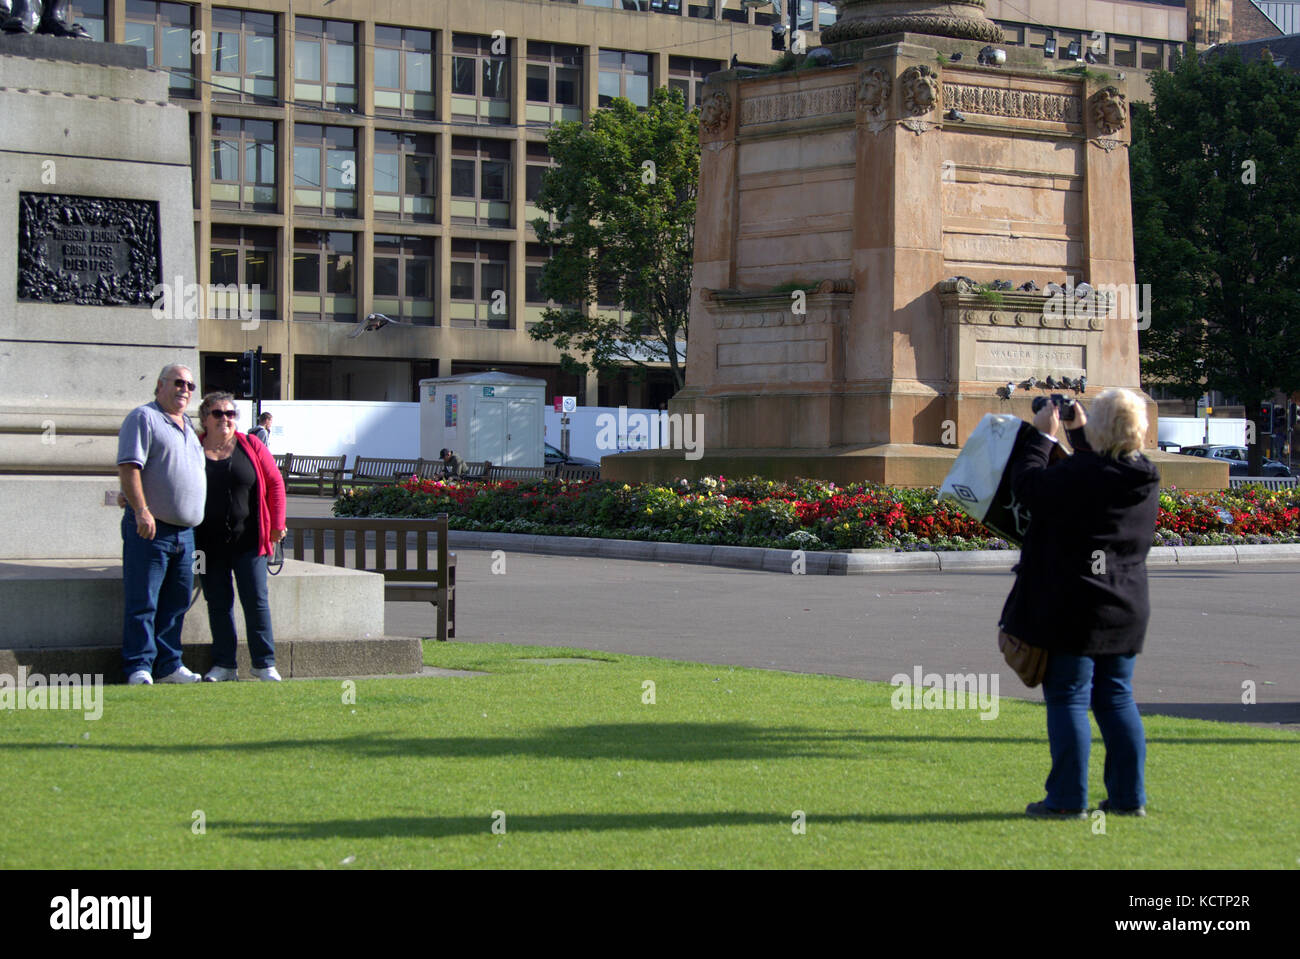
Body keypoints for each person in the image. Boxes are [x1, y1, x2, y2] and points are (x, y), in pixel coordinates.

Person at [1000, 389, 1159, 819]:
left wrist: (1041, 438)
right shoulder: (1144, 473)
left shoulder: (1081, 475)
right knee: (1117, 699)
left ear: (1100, 426)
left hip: (1073, 604)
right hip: (1125, 603)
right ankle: (1129, 798)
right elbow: (1101, 468)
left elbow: (1029, 485)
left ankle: (1067, 799)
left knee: (1068, 698)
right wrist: (1078, 431)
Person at [117, 364, 207, 685]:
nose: (185, 389)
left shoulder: (189, 428)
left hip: (185, 534)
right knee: (144, 600)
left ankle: (169, 665)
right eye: (179, 383)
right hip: (151, 529)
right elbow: (130, 467)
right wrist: (140, 509)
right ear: (160, 385)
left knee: (176, 602)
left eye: (191, 386)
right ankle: (139, 666)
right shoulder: (144, 418)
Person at [194, 392, 287, 682]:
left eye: (231, 413)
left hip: (249, 540)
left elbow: (275, 484)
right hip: (206, 544)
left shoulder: (251, 445)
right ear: (205, 418)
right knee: (218, 603)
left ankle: (264, 662)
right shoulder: (193, 446)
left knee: (256, 601)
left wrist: (276, 527)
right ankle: (224, 664)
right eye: (218, 413)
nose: (225, 419)